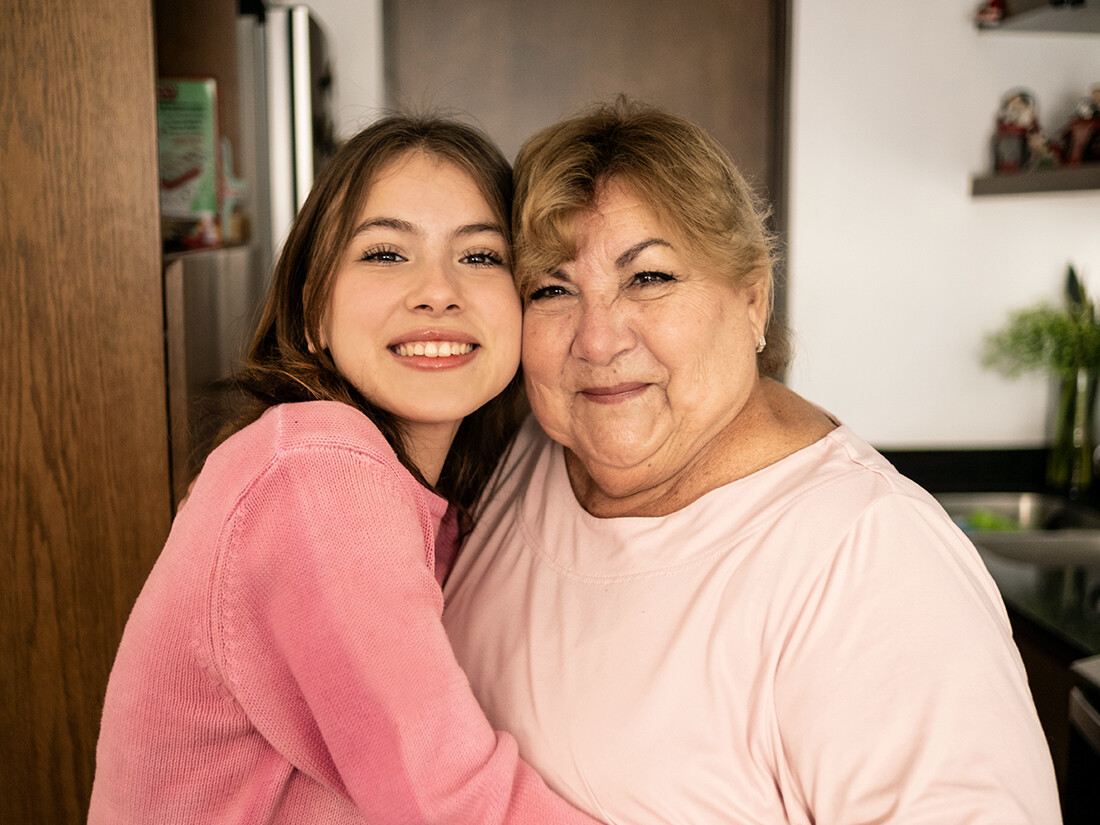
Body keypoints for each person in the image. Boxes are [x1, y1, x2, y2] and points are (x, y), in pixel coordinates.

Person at [441, 100, 1063, 824]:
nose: (598, 338)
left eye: (649, 278)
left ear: (752, 297)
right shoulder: (526, 451)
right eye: (551, 289)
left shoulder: (870, 559)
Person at [88, 115, 600, 825]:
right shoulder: (319, 473)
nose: (438, 291)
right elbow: (445, 801)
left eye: (481, 257)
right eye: (387, 254)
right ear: (313, 309)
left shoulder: (421, 486)